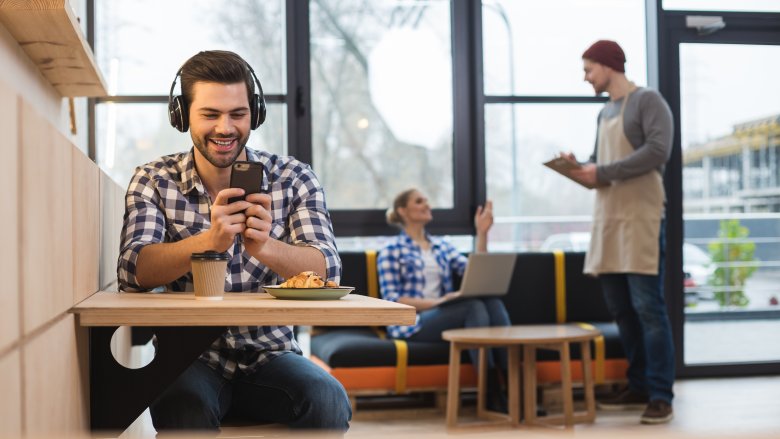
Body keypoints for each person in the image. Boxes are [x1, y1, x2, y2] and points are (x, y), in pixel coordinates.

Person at [117, 50, 351, 432]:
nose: (225, 128)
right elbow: (133, 270)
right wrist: (209, 240)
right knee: (181, 405)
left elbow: (329, 269)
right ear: (182, 115)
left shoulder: (293, 177)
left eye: (237, 114)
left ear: (253, 114)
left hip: (271, 355)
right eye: (210, 114)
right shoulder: (154, 180)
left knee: (327, 399)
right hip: (187, 358)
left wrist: (267, 248)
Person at [566, 40, 675, 424]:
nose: (585, 77)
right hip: (610, 220)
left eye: (589, 69)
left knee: (649, 309)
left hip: (642, 219)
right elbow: (601, 166)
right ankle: (639, 383)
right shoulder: (605, 113)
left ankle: (661, 394)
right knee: (622, 310)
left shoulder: (647, 101)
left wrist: (602, 172)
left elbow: (658, 151)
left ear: (610, 66)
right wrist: (580, 168)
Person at [377, 188, 511, 412]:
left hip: (443, 314)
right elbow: (392, 299)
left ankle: (515, 389)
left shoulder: (442, 247)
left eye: (427, 200)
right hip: (414, 322)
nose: (427, 205)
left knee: (492, 303)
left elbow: (476, 274)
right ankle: (492, 394)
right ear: (403, 211)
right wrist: (440, 302)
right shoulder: (391, 250)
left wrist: (482, 234)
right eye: (419, 201)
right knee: (473, 307)